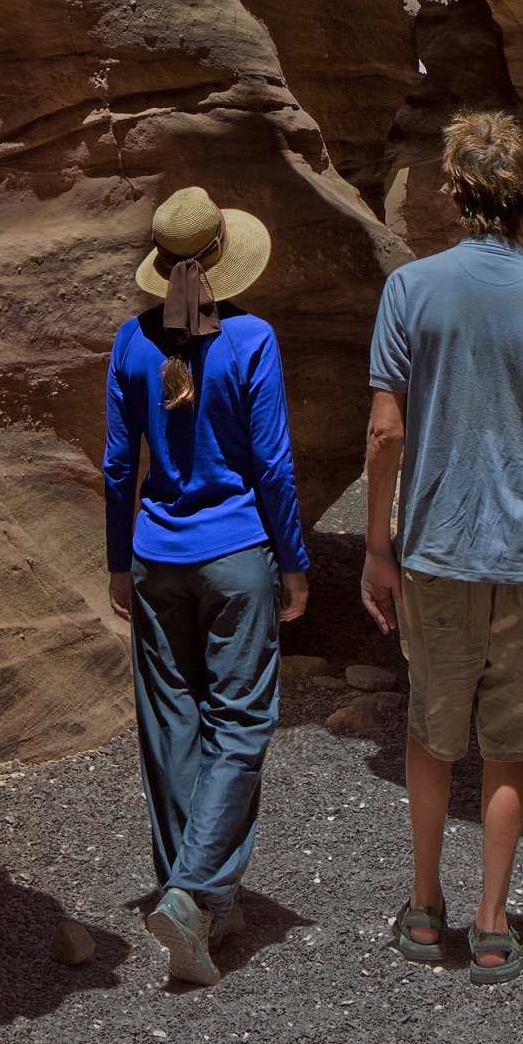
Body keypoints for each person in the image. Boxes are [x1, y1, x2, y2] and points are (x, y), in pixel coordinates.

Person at [361, 111, 523, 986]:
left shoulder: (411, 290)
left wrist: (377, 547)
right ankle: (494, 925)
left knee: (432, 731)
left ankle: (424, 911)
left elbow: (385, 432)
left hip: (436, 548)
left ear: (452, 193)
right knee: (508, 744)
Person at [104, 185, 309, 987]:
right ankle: (195, 893)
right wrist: (294, 562)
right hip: (238, 555)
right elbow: (273, 467)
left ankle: (193, 896)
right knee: (241, 721)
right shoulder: (252, 338)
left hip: (158, 556)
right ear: (223, 257)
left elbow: (122, 466)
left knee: (170, 722)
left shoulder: (130, 342)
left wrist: (118, 561)